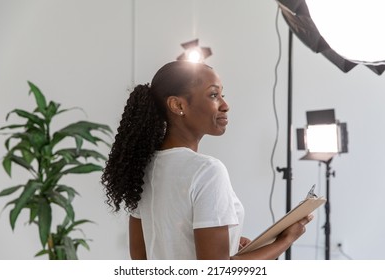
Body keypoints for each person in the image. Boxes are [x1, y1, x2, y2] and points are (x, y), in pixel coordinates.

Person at [101, 60, 313, 260]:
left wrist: (228, 240)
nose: (225, 105)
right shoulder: (207, 170)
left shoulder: (143, 168)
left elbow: (140, 257)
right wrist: (285, 240)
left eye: (222, 95)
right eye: (213, 95)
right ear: (177, 105)